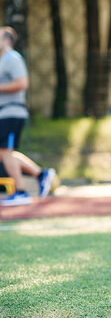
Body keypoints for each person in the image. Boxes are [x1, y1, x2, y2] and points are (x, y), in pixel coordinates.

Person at [0, 26, 56, 206]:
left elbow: (22, 83)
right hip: (5, 112)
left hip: (12, 112)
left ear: (7, 40)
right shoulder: (3, 60)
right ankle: (41, 174)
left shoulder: (12, 58)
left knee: (5, 152)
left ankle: (21, 191)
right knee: (6, 153)